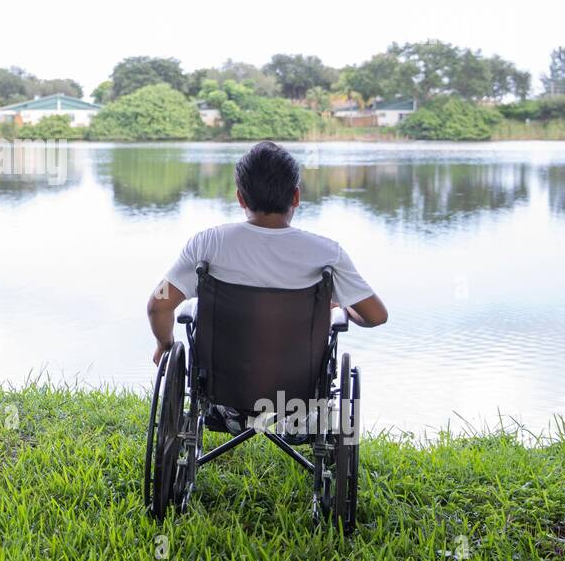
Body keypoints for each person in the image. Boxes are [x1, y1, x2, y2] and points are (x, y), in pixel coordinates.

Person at [146, 141, 388, 431]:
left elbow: (158, 304)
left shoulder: (207, 244)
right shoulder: (327, 254)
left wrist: (165, 345)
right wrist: (343, 307)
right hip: (299, 403)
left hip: (224, 399)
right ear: (296, 196)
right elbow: (376, 316)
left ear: (240, 198)